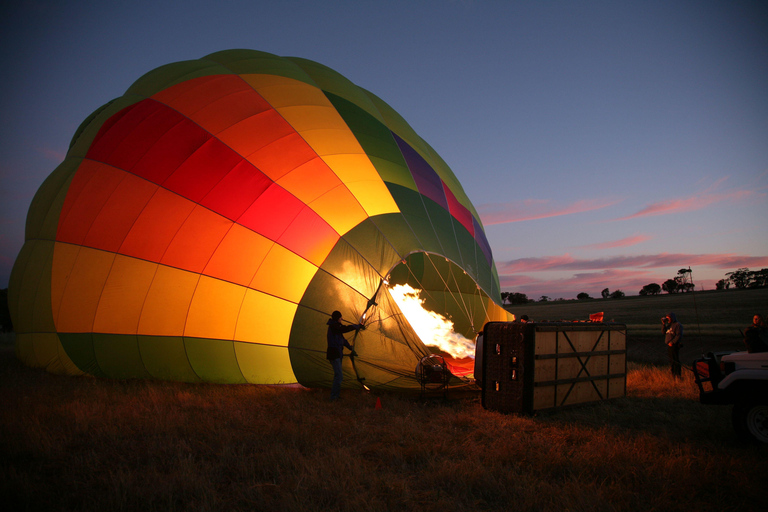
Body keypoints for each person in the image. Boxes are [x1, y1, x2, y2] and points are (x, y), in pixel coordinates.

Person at [326, 310, 364, 401]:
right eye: (340, 318)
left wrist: (350, 348)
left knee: (337, 376)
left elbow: (342, 340)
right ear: (337, 318)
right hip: (334, 354)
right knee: (339, 376)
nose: (342, 319)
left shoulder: (336, 327)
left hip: (338, 354)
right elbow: (345, 329)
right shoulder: (334, 327)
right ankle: (334, 397)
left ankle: (335, 396)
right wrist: (357, 326)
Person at [661, 312, 683, 378]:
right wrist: (663, 324)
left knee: (675, 360)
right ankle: (673, 375)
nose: (668, 320)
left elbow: (678, 335)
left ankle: (678, 375)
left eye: (669, 318)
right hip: (669, 345)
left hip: (674, 345)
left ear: (672, 318)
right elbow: (663, 332)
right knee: (671, 361)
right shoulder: (669, 325)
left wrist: (672, 342)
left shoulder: (677, 325)